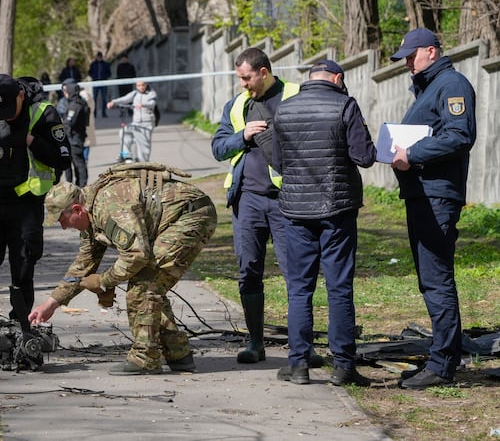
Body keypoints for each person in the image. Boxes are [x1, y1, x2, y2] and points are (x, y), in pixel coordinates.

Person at [28, 162, 217, 375]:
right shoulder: (90, 217)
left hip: (190, 216)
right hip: (175, 219)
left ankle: (145, 358)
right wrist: (52, 303)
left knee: (144, 286)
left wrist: (104, 282)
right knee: (148, 286)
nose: (63, 227)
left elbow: (137, 254)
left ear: (77, 209)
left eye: (63, 220)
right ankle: (178, 353)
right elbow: (83, 265)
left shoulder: (107, 207)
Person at [272, 60, 377, 385]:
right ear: (337, 78)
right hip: (337, 210)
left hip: (296, 212)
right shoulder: (345, 105)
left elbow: (277, 161)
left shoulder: (284, 109)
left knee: (300, 289)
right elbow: (364, 157)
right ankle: (343, 367)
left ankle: (299, 365)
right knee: (339, 288)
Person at [389, 28, 476, 390]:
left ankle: (442, 366)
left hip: (437, 196)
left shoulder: (451, 84)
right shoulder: (430, 86)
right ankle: (443, 357)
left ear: (431, 51)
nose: (407, 62)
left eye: (411, 56)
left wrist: (412, 154)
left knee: (437, 280)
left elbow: (459, 135)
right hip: (423, 194)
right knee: (432, 280)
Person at [211, 48, 304, 364]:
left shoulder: (295, 96)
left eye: (246, 77)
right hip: (247, 201)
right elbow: (218, 148)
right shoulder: (237, 105)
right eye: (240, 78)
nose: (243, 84)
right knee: (248, 271)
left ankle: (301, 347)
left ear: (264, 72)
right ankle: (255, 344)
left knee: (296, 274)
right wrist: (243, 136)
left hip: (285, 202)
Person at [0, 74, 71, 321]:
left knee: (23, 268)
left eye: (9, 109)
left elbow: (63, 159)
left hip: (26, 206)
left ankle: (21, 325)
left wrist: (30, 141)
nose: (6, 116)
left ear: (21, 95)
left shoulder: (43, 114)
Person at [107, 81, 157, 162]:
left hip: (146, 123)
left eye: (143, 85)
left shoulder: (151, 93)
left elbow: (152, 104)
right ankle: (127, 155)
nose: (141, 87)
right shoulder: (134, 93)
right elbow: (124, 99)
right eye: (139, 85)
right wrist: (113, 102)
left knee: (143, 148)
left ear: (146, 85)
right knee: (123, 132)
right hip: (136, 123)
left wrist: (143, 105)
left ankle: (143, 164)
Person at [62, 81, 90, 187]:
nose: (65, 93)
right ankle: (75, 185)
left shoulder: (75, 105)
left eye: (66, 91)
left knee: (78, 163)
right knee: (75, 164)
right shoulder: (79, 102)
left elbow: (69, 122)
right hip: (76, 136)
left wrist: (65, 133)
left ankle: (81, 185)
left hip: (73, 138)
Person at [88, 51, 111, 117]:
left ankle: (104, 112)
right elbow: (89, 72)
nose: (99, 58)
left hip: (103, 82)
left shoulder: (105, 64)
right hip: (95, 82)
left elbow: (109, 73)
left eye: (100, 57)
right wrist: (94, 77)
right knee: (94, 98)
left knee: (104, 98)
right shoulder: (93, 64)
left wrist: (105, 77)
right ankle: (94, 113)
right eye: (98, 57)